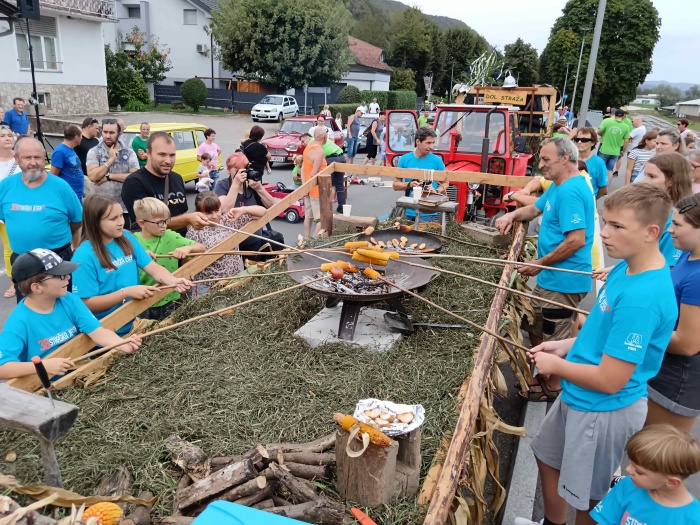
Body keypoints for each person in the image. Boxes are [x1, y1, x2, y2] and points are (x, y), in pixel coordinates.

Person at [513, 184, 678, 525]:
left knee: (588, 495)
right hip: (579, 395)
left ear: (651, 233)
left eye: (617, 226)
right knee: (547, 456)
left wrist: (556, 365)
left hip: (602, 410)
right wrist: (566, 346)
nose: (603, 233)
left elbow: (610, 379)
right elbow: (602, 334)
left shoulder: (642, 298)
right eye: (605, 222)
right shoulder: (626, 267)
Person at [496, 137, 594, 402]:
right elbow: (534, 209)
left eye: (545, 159)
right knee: (538, 323)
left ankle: (553, 386)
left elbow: (576, 240)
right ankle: (546, 372)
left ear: (565, 158)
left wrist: (538, 264)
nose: (540, 165)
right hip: (551, 277)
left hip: (565, 280)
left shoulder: (572, 191)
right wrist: (511, 215)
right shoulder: (558, 186)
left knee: (556, 330)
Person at [0, 249, 142, 380]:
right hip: (45, 388)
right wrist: (44, 366)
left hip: (80, 374)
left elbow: (97, 331)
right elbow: (3, 368)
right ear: (37, 287)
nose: (68, 277)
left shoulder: (68, 299)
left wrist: (121, 343)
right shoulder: (18, 323)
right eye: (60, 276)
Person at [72, 195, 192, 335]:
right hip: (107, 332)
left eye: (121, 216)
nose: (120, 222)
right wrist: (126, 292)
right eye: (113, 219)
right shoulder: (83, 257)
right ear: (95, 221)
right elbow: (86, 303)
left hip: (136, 322)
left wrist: (172, 280)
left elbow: (152, 267)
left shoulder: (127, 237)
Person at [0, 138, 82, 302]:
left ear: (44, 158)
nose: (33, 163)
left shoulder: (61, 187)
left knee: (63, 305)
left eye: (37, 157)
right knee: (27, 306)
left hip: (58, 259)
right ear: (16, 159)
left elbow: (76, 221)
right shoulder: (6, 186)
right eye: (27, 157)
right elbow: (5, 218)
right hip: (22, 261)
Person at [644, 194, 700, 432]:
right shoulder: (689, 254)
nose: (670, 231)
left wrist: (635, 330)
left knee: (655, 455)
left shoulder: (698, 278)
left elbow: (688, 343)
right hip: (663, 367)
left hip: (678, 379)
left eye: (677, 225)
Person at [589, 425, 700, 525]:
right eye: (631, 463)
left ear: (672, 482)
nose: (628, 469)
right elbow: (605, 521)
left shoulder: (693, 519)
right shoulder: (627, 485)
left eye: (639, 472)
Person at [122, 131, 209, 236]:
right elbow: (147, 224)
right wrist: (187, 219)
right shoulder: (134, 183)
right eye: (162, 155)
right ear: (148, 153)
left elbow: (183, 212)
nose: (168, 160)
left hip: (182, 247)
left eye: (172, 155)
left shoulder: (177, 178)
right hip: (155, 250)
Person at [132, 198, 205, 320]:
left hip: (170, 297)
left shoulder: (170, 236)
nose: (164, 226)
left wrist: (188, 249)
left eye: (166, 221)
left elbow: (201, 247)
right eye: (160, 222)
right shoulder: (133, 241)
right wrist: (139, 256)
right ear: (142, 223)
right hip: (143, 302)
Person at [186, 191, 265, 296]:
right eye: (209, 213)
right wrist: (211, 256)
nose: (214, 216)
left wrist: (243, 210)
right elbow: (189, 261)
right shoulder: (195, 231)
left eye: (217, 210)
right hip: (208, 285)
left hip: (233, 279)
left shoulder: (228, 221)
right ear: (198, 212)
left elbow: (262, 212)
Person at [214, 153, 278, 259]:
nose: (242, 173)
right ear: (229, 170)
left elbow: (272, 206)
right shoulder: (222, 185)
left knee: (254, 271)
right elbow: (224, 209)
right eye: (238, 170)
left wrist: (259, 188)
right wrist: (235, 184)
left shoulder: (251, 183)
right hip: (232, 243)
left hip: (254, 239)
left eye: (244, 169)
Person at [639, 153, 693, 267]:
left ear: (671, 181)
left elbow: (668, 267)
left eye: (652, 176)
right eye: (645, 175)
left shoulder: (676, 218)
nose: (644, 181)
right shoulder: (655, 209)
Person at [85, 119, 139, 229]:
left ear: (119, 134)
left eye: (112, 133)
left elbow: (135, 178)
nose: (107, 136)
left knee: (123, 243)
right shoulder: (94, 151)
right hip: (99, 209)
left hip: (123, 209)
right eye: (105, 132)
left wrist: (109, 177)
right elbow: (93, 176)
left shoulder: (128, 152)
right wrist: (110, 160)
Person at [393, 126, 447, 223]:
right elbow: (395, 185)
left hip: (428, 212)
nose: (431, 147)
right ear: (418, 142)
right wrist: (409, 185)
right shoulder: (405, 159)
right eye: (428, 143)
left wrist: (436, 191)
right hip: (408, 209)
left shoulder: (437, 161)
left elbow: (446, 183)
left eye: (433, 143)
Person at [0, 126, 21, 298]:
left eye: (9, 135)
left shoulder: (20, 160)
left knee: (10, 247)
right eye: (2, 135)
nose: (7, 138)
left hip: (13, 211)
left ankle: (14, 282)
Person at [302, 127, 328, 238]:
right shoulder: (319, 151)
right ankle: (313, 241)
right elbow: (314, 174)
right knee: (321, 218)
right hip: (317, 190)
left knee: (308, 216)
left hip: (308, 188)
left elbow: (303, 169)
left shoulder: (308, 148)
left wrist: (305, 187)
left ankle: (306, 238)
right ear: (324, 137)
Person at [50, 125, 84, 200]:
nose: (82, 138)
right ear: (76, 137)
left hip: (77, 195)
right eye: (81, 135)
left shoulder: (71, 150)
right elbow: (53, 176)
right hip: (68, 197)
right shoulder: (60, 152)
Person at [573, 128, 608, 199]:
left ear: (593, 143)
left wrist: (592, 200)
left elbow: (603, 187)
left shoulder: (598, 162)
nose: (579, 142)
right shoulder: (570, 159)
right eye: (577, 139)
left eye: (584, 140)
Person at [597, 109, 631, 181]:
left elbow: (599, 132)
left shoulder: (608, 122)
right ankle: (606, 189)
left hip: (604, 150)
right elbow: (626, 141)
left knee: (600, 169)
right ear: (623, 116)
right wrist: (623, 151)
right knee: (610, 170)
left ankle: (599, 186)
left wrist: (603, 135)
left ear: (614, 115)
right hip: (615, 152)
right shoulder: (626, 127)